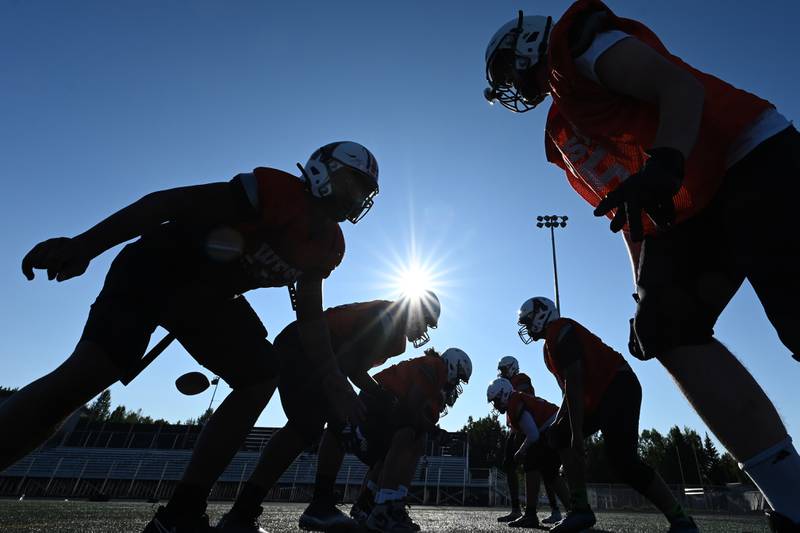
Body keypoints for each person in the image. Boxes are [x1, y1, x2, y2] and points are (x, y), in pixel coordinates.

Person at [484, 2, 800, 529]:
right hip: (688, 202)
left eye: (504, 70)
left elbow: (681, 90)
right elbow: (629, 210)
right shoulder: (564, 132)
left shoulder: (575, 50)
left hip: (747, 155)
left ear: (528, 45)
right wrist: (640, 292)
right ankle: (791, 492)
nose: (508, 85)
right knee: (663, 326)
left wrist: (668, 160)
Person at [0, 141, 379, 533]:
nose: (357, 198)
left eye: (364, 192)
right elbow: (166, 204)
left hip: (209, 298)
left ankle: (183, 511)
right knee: (85, 377)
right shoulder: (270, 193)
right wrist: (85, 245)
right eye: (354, 183)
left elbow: (310, 312)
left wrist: (333, 378)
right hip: (157, 268)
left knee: (261, 375)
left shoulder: (328, 244)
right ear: (323, 171)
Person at [213, 292, 441, 532]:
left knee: (306, 427)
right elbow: (344, 360)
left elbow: (355, 368)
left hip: (315, 353)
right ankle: (318, 503)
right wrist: (352, 395)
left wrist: (380, 395)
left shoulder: (396, 340)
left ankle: (244, 511)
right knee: (332, 420)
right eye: (426, 321)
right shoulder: (386, 318)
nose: (425, 329)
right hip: (306, 345)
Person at [517, 296, 697, 532]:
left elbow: (575, 382)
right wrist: (562, 423)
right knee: (558, 434)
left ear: (542, 314)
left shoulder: (561, 330)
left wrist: (578, 435)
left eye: (528, 320)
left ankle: (680, 518)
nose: (526, 327)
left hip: (617, 386)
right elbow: (567, 391)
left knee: (624, 462)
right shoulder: (548, 347)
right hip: (597, 396)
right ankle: (580, 509)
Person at [341, 347, 472, 533]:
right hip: (377, 400)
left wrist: (432, 430)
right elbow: (410, 409)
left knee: (400, 447)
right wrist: (435, 431)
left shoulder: (434, 384)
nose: (456, 383)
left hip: (379, 402)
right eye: (458, 377)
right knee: (409, 436)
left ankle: (371, 504)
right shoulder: (434, 367)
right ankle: (386, 506)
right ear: (451, 365)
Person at [487, 377, 571, 529]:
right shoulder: (515, 399)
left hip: (555, 426)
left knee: (532, 462)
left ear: (504, 394)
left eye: (496, 400)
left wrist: (520, 452)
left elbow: (533, 435)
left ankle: (531, 514)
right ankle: (573, 510)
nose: (496, 405)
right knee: (549, 472)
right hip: (557, 425)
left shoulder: (515, 403)